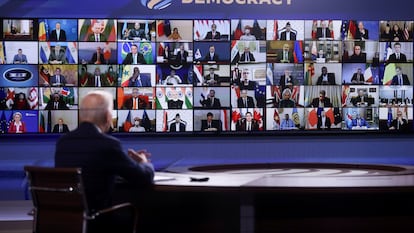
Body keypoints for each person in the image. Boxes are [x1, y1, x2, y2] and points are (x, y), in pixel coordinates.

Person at [55, 90, 154, 232]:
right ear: (108, 116)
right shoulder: (109, 144)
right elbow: (143, 177)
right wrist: (144, 162)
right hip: (98, 220)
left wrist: (124, 161)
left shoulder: (63, 143)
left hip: (69, 220)